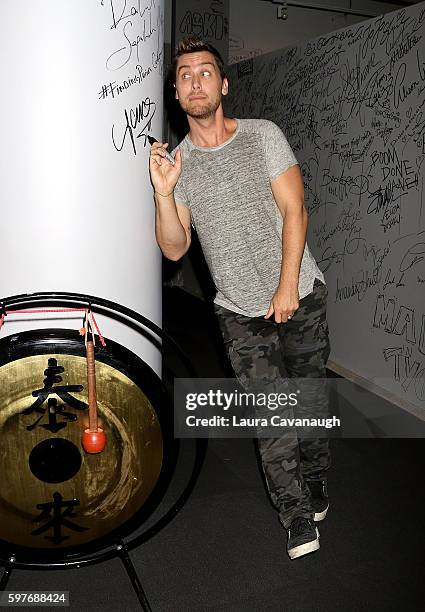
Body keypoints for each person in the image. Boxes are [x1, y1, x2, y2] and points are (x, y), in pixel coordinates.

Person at [149, 36, 331, 560]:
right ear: (177, 94)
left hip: (299, 290)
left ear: (223, 84)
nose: (195, 81)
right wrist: (165, 192)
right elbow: (174, 247)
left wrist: (287, 283)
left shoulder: (261, 136)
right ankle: (295, 517)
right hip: (238, 310)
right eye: (184, 75)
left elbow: (295, 210)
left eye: (205, 72)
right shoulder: (177, 164)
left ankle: (317, 480)